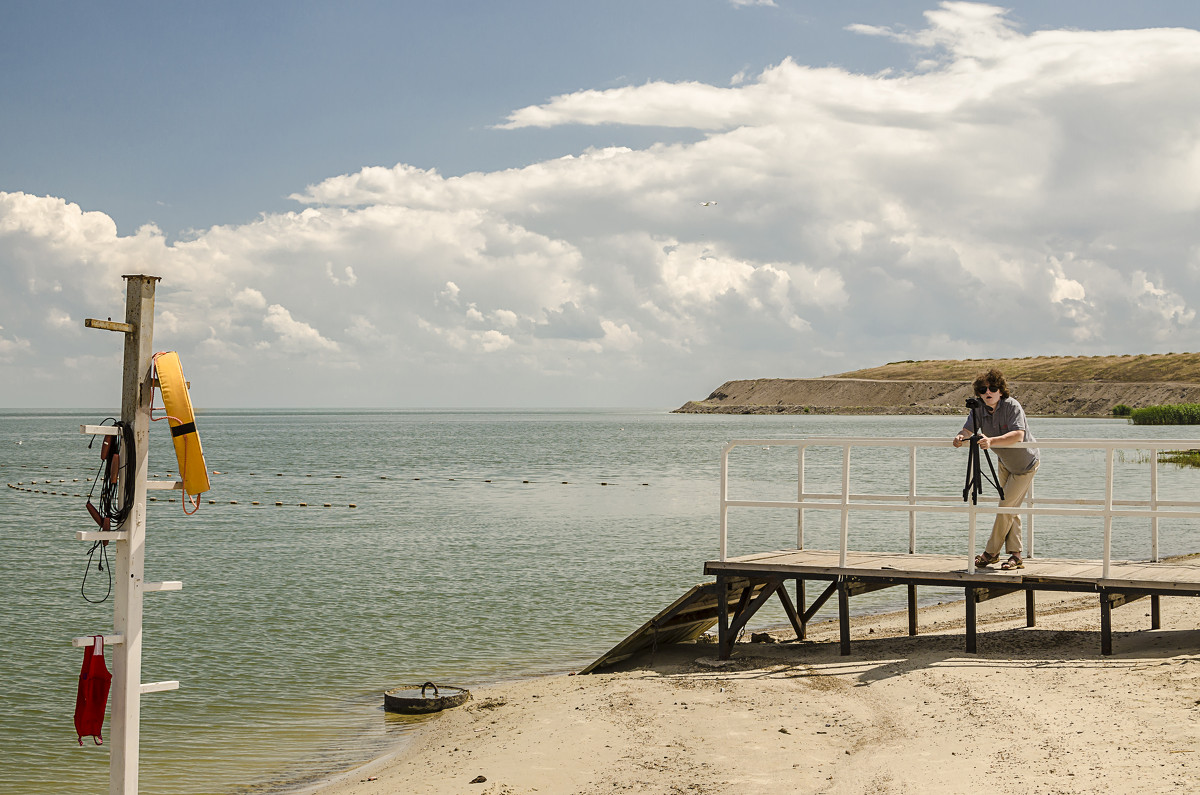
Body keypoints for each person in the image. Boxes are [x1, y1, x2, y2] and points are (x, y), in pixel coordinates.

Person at [951, 368, 1040, 570]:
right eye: (983, 390)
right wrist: (960, 437)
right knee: (1011, 508)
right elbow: (968, 429)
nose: (987, 393)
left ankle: (990, 553)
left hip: (1026, 464)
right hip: (1004, 463)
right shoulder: (979, 408)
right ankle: (1016, 556)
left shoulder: (1012, 406)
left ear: (1001, 390)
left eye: (992, 388)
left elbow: (1018, 435)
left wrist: (991, 440)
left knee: (1005, 506)